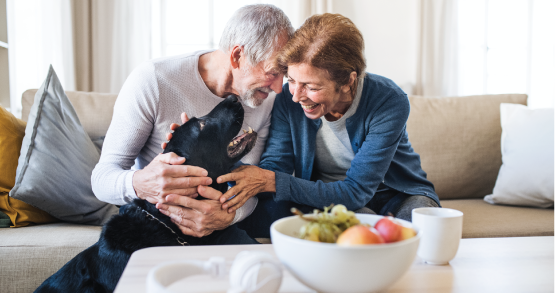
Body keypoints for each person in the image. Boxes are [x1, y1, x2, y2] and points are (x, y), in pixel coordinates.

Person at [200, 13, 440, 230]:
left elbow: (356, 191)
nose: (295, 95)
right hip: (329, 198)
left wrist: (271, 181)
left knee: (423, 224)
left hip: (398, 194)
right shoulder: (288, 99)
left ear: (348, 81)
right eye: (291, 80)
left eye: (311, 87)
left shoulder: (389, 101)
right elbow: (276, 166)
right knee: (357, 230)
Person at [91, 4, 294, 243]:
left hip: (219, 223)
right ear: (237, 55)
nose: (279, 88)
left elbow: (248, 186)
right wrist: (141, 183)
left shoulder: (266, 100)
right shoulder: (153, 80)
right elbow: (101, 180)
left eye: (285, 74)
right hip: (154, 221)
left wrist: (228, 216)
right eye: (272, 73)